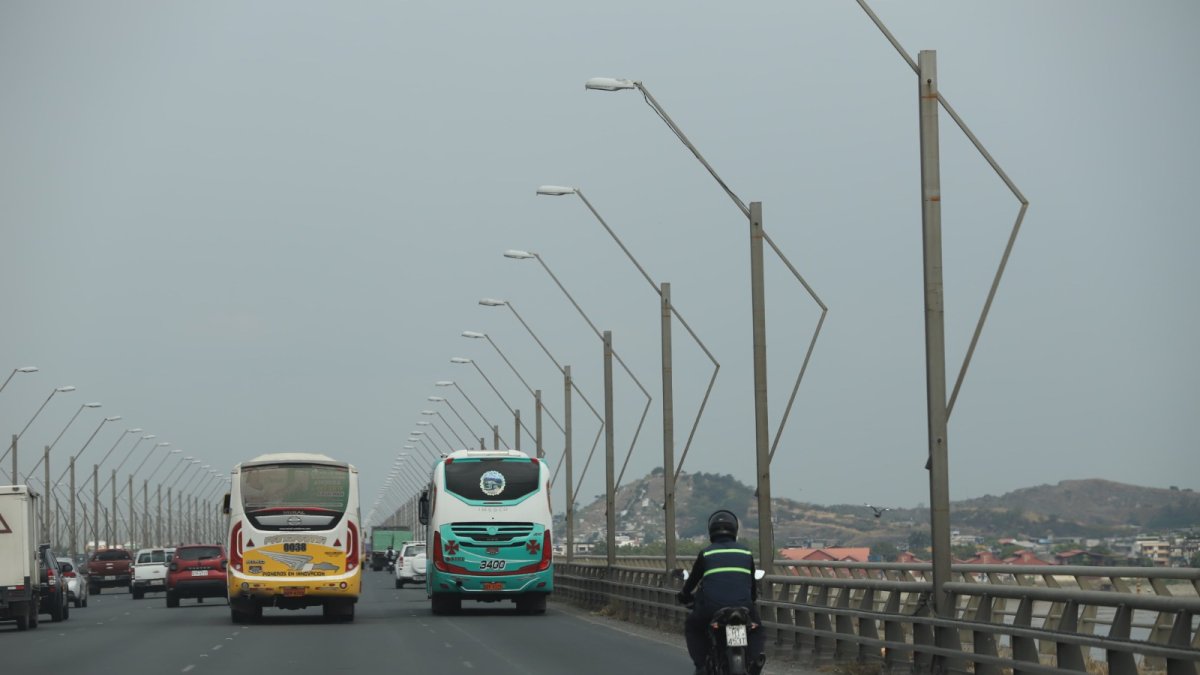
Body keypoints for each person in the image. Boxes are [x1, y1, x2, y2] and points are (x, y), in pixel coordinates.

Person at [677, 510, 766, 675]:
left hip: (712, 607)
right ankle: (756, 660)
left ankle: (702, 666)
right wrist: (751, 600)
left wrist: (683, 594)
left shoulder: (707, 553)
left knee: (693, 627)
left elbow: (693, 581)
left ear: (711, 531)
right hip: (743, 606)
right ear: (735, 530)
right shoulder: (746, 553)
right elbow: (751, 584)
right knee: (757, 628)